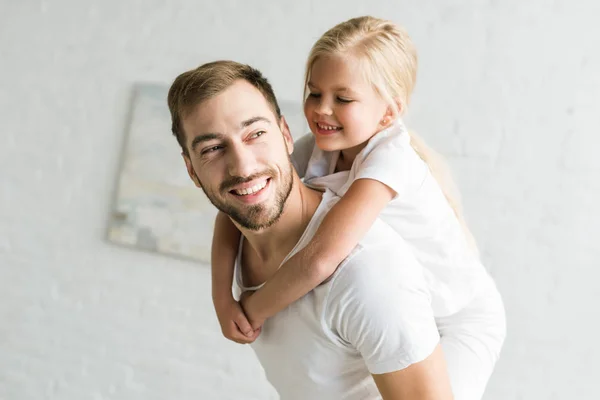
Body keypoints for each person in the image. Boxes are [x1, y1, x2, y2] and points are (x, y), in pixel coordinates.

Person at [211, 16, 506, 400]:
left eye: (343, 99)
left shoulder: (390, 160)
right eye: (314, 93)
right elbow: (232, 210)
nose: (322, 109)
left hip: (459, 317)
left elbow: (321, 258)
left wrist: (252, 309)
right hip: (405, 308)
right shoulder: (310, 149)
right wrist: (221, 299)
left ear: (388, 113)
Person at [168, 60, 453, 399]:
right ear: (192, 170)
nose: (243, 166)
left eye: (256, 134)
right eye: (213, 148)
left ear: (286, 135)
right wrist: (220, 297)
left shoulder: (367, 273)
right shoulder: (239, 243)